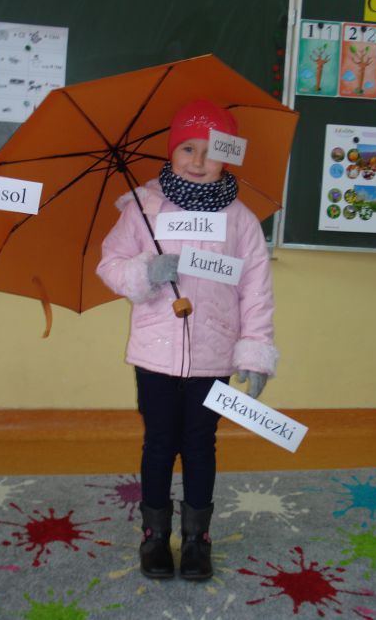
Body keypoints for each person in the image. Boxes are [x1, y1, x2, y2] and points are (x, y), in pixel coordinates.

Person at [96, 99, 278, 581]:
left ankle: (197, 538)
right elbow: (110, 264)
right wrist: (146, 271)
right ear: (171, 151)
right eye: (188, 149)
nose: (198, 161)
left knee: (200, 444)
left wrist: (255, 350)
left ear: (228, 156)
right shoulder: (144, 208)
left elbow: (256, 291)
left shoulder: (240, 220)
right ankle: (154, 535)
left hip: (213, 354)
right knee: (159, 444)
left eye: (212, 151)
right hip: (154, 356)